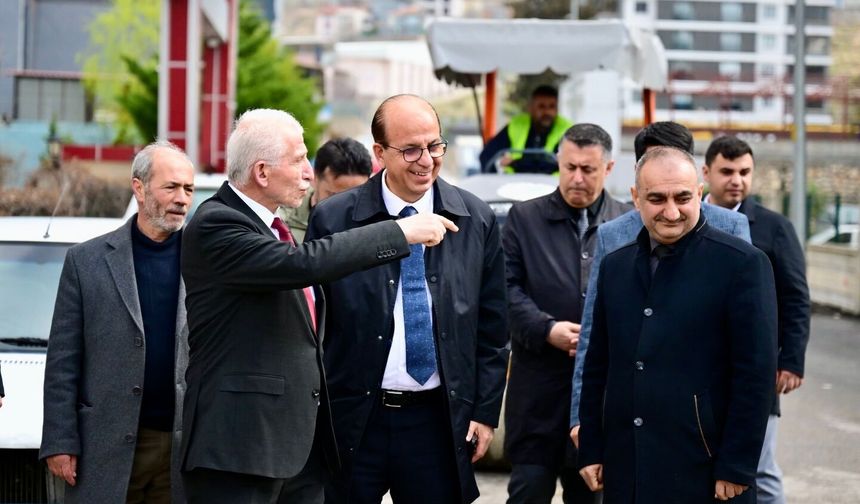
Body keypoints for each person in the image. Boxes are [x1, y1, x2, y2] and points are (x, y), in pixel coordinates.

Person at [178, 108, 456, 504]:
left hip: (297, 450)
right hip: (239, 448)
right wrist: (400, 232)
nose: (309, 172)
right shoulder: (217, 224)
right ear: (261, 172)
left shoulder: (271, 228)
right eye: (298, 160)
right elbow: (303, 265)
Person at [306, 94, 509, 504]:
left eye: (434, 146)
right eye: (411, 149)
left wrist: (485, 413)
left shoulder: (474, 219)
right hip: (354, 417)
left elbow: (493, 328)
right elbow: (312, 325)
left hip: (436, 421)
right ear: (379, 153)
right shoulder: (335, 219)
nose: (426, 160)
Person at [578, 146, 778, 503]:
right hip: (629, 468)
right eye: (656, 198)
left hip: (706, 470)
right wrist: (592, 446)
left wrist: (736, 466)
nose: (671, 212)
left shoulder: (743, 264)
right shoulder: (615, 268)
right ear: (636, 198)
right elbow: (598, 366)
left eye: (682, 197)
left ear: (699, 193)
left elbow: (756, 375)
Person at [569, 121, 753, 445]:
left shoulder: (732, 229)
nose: (670, 211)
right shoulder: (613, 236)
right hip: (633, 409)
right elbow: (593, 335)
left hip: (704, 416)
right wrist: (581, 418)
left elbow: (748, 348)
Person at [40, 141, 195, 503]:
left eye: (188, 189)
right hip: (105, 444)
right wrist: (60, 440)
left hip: (182, 447)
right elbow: (64, 359)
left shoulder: (206, 261)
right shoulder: (86, 261)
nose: (182, 199)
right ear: (139, 188)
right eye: (170, 187)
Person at [502, 123, 631, 504]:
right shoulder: (524, 219)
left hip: (599, 401)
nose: (576, 178)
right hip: (536, 394)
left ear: (608, 169)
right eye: (569, 166)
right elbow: (506, 291)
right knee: (527, 493)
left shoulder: (628, 224)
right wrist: (548, 329)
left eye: (588, 170)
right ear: (559, 161)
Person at [702, 135, 810, 504]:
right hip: (701, 366)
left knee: (758, 468)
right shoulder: (688, 220)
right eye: (727, 171)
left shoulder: (772, 227)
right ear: (706, 172)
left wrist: (791, 360)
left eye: (745, 172)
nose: (737, 180)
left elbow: (796, 297)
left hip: (755, 365)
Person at [278, 137, 373, 242]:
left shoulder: (375, 224)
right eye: (334, 196)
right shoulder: (280, 220)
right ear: (315, 178)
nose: (344, 205)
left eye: (354, 196)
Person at [479, 85, 573, 174]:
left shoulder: (567, 130)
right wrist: (493, 180)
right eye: (541, 106)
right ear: (531, 108)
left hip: (554, 187)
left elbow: (567, 164)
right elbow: (486, 155)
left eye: (552, 107)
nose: (547, 112)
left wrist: (514, 163)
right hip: (513, 186)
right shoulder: (516, 124)